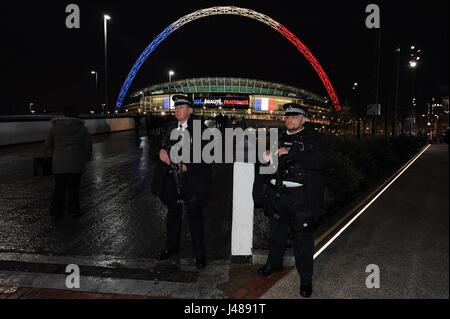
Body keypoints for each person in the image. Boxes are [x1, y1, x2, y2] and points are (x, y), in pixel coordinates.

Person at [256, 103, 325, 298]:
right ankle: (274, 263)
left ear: (303, 119)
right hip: (277, 195)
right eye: (287, 117)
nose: (290, 120)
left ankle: (305, 279)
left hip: (300, 198)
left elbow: (319, 162)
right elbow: (261, 163)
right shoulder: (276, 137)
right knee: (276, 233)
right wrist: (264, 157)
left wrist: (291, 152)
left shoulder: (313, 139)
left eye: (294, 117)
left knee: (302, 240)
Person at [152, 95, 211, 269]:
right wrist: (160, 152)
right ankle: (171, 247)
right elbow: (153, 148)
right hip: (171, 180)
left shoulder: (201, 129)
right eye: (176, 107)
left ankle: (200, 254)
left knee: (195, 218)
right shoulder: (167, 127)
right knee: (173, 215)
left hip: (192, 181)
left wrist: (188, 166)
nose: (177, 109)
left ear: (190, 110)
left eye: (182, 107)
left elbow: (208, 154)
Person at [45, 106, 92, 220]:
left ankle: (57, 211)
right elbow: (88, 145)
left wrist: (52, 154)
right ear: (76, 115)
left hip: (59, 162)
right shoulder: (81, 128)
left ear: (64, 115)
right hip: (76, 161)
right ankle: (73, 211)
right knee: (73, 188)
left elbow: (48, 145)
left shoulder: (54, 127)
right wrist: (87, 157)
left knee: (59, 187)